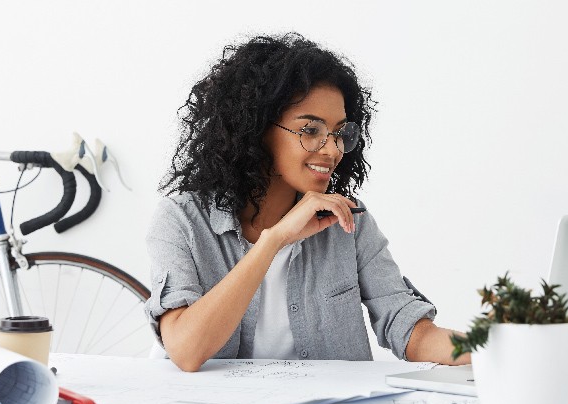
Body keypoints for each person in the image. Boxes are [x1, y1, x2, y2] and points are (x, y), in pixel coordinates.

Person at [146, 32, 469, 372]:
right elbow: (186, 351)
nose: (331, 150)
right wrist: (274, 241)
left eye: (339, 133)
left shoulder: (348, 221)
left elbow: (410, 332)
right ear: (255, 129)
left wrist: (491, 344)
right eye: (311, 130)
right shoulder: (181, 219)